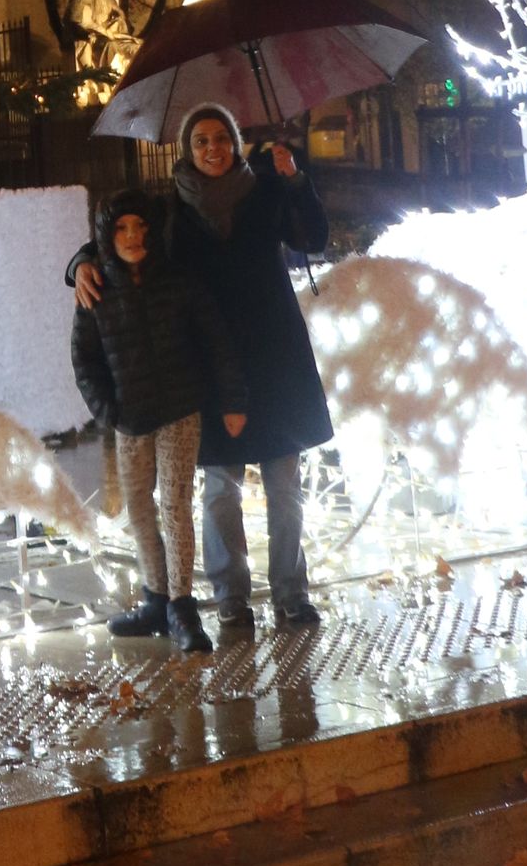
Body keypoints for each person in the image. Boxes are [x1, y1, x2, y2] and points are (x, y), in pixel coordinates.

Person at [76, 102, 331, 628]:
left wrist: (295, 182)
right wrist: (78, 264)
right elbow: (119, 237)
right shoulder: (171, 211)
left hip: (276, 358)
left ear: (235, 144)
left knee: (285, 488)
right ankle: (231, 597)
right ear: (187, 151)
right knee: (220, 492)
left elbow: (312, 238)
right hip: (211, 366)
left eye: (221, 138)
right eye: (201, 141)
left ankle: (290, 592)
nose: (212, 149)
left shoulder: (265, 192)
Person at [69, 191, 221, 654]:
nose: (133, 236)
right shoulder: (96, 291)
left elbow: (211, 340)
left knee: (174, 505)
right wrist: (108, 412)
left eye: (140, 227)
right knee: (137, 506)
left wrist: (222, 396)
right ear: (106, 238)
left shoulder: (177, 280)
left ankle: (182, 604)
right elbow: (85, 359)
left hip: (178, 412)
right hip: (130, 419)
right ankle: (155, 596)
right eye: (121, 229)